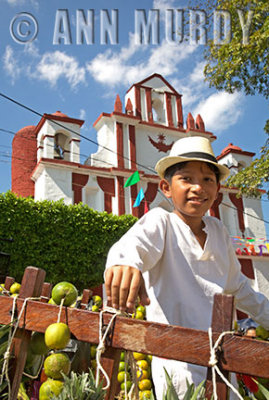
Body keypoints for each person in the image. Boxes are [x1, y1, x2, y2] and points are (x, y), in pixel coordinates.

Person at [104, 136, 269, 399]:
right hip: (177, 368)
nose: (198, 187)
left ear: (217, 189)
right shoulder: (161, 222)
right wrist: (123, 262)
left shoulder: (218, 230)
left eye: (207, 180)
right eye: (186, 178)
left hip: (224, 364)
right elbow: (133, 246)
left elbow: (239, 288)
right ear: (166, 188)